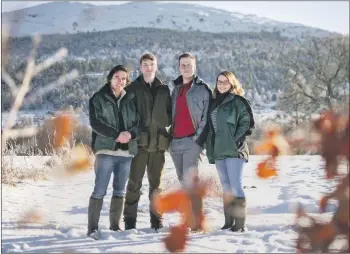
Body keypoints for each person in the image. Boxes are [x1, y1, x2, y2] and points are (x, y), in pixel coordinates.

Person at [87, 65, 140, 239]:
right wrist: (116, 135)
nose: (120, 81)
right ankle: (93, 229)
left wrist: (130, 134)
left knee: (120, 191)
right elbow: (96, 123)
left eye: (124, 78)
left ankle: (115, 225)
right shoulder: (98, 98)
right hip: (106, 151)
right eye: (117, 77)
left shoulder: (131, 99)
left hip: (126, 154)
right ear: (110, 78)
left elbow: (140, 123)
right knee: (99, 190)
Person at [123, 53, 172, 231]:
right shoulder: (132, 89)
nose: (149, 67)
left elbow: (169, 117)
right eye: (145, 64)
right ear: (140, 67)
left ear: (156, 66)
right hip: (139, 145)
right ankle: (129, 221)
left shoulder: (164, 89)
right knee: (134, 184)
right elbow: (127, 117)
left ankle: (156, 220)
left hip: (158, 146)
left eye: (152, 64)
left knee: (156, 186)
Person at [205, 71, 255, 232]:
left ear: (232, 83)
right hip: (219, 150)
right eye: (219, 82)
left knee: (235, 186)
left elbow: (247, 123)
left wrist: (236, 139)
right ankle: (229, 222)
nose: (221, 84)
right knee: (226, 187)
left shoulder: (239, 101)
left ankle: (240, 224)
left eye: (225, 82)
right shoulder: (213, 103)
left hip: (234, 150)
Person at [169, 52, 212, 187]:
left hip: (192, 142)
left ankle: (195, 209)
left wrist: (197, 140)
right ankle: (187, 208)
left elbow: (207, 117)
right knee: (183, 181)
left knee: (191, 183)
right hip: (175, 142)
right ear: (179, 67)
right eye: (183, 65)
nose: (186, 68)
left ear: (195, 67)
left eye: (189, 65)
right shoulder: (175, 89)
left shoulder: (203, 89)